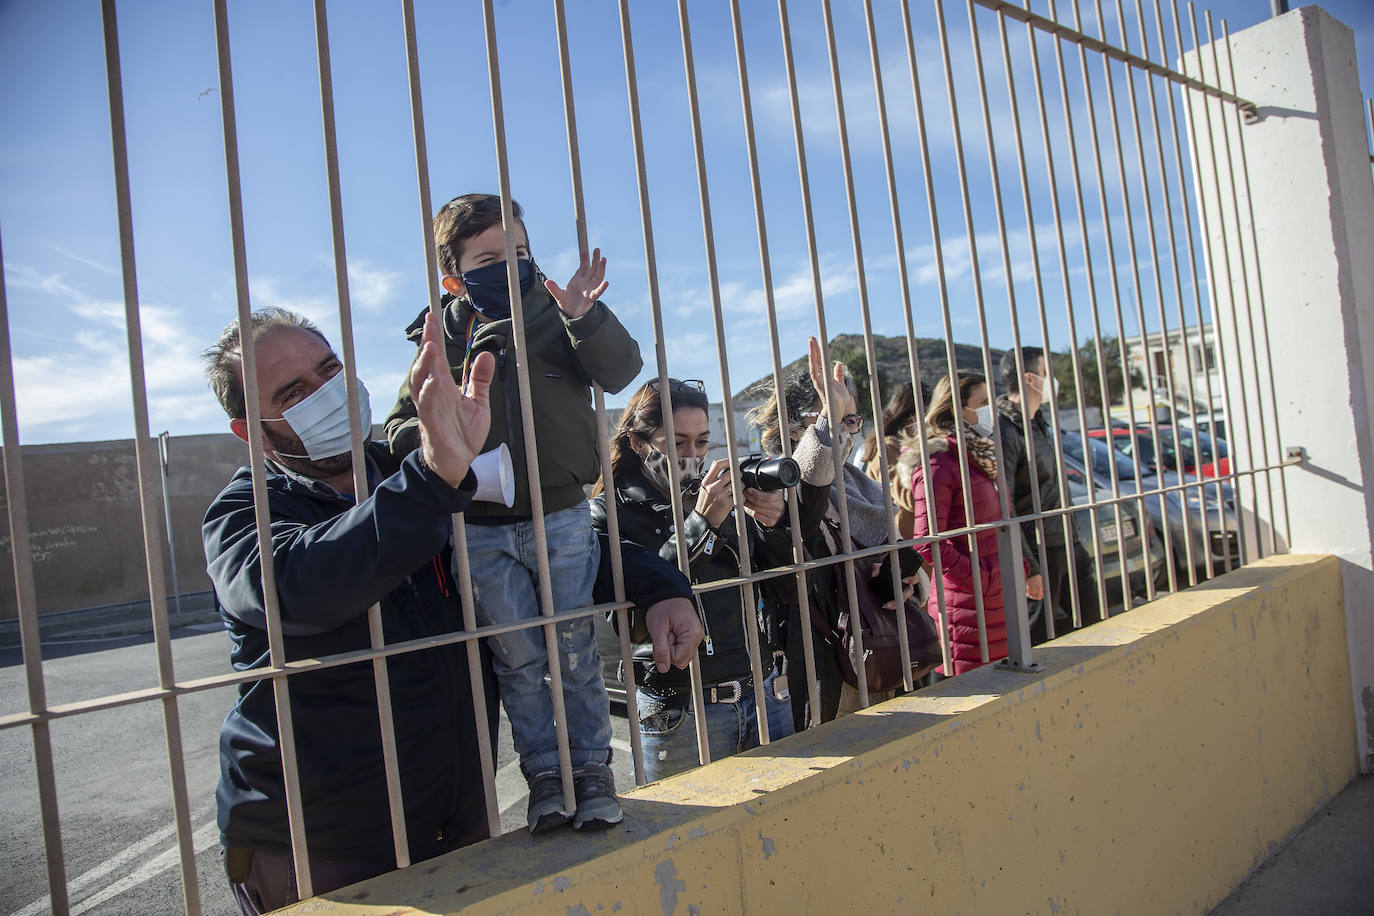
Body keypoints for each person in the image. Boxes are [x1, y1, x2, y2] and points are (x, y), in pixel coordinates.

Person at [202, 308, 696, 914]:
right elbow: (299, 587)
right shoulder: (243, 513)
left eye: (329, 370)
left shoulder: (412, 467)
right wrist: (436, 478)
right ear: (250, 431)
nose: (325, 394)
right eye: (294, 392)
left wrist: (660, 585)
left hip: (458, 818)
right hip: (320, 845)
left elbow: (545, 537)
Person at [385, 194, 642, 833]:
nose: (509, 266)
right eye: (488, 258)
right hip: (479, 529)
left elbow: (623, 370)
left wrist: (586, 317)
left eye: (519, 253)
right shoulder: (437, 337)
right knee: (520, 660)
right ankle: (547, 783)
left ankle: (593, 775)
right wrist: (442, 446)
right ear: (455, 275)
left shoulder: (559, 314)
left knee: (574, 646)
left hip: (561, 517)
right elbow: (395, 430)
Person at [590, 378, 796, 780]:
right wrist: (700, 525)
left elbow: (784, 591)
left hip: (764, 696)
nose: (692, 455)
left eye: (701, 442)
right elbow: (631, 620)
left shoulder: (720, 497)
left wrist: (774, 526)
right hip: (680, 712)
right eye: (677, 443)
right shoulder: (607, 514)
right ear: (637, 442)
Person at [750, 338, 925, 727]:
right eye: (834, 419)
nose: (848, 432)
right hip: (830, 664)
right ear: (796, 431)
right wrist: (831, 416)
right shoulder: (774, 485)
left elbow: (891, 549)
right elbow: (804, 513)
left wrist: (907, 573)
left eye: (852, 420)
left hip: (885, 649)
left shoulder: (858, 483)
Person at [903, 372, 1016, 673]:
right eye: (983, 402)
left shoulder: (980, 454)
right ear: (958, 409)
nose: (992, 408)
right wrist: (980, 579)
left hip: (997, 599)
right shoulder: (939, 462)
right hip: (966, 606)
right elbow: (927, 541)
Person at [995, 346, 1098, 642]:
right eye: (1046, 372)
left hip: (1068, 539)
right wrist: (1030, 566)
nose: (1053, 379)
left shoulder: (1040, 422)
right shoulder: (1006, 429)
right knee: (1041, 639)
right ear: (1030, 378)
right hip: (1040, 548)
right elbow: (1007, 504)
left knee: (1093, 625)